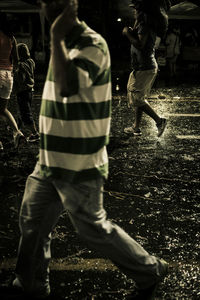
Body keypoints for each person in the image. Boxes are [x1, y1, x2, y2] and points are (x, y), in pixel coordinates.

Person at [3, 1, 168, 299]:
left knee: (93, 228)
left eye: (55, 2)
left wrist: (54, 36)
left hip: (79, 160)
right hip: (51, 158)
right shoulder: (65, 43)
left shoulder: (92, 44)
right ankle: (31, 284)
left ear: (72, 5)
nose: (47, 7)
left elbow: (68, 87)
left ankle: (150, 269)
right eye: (45, 2)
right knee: (32, 220)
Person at [122, 0, 170, 137]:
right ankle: (136, 127)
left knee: (136, 98)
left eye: (136, 9)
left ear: (143, 12)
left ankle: (159, 121)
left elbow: (140, 44)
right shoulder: (141, 25)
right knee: (137, 96)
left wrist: (127, 33)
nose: (134, 11)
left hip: (145, 67)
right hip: (141, 67)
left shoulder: (145, 25)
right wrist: (132, 31)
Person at [0, 12, 25, 150]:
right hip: (8, 75)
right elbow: (16, 59)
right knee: (2, 109)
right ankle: (17, 132)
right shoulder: (12, 38)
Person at [14, 43, 39, 142]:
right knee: (22, 111)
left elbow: (21, 79)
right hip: (30, 91)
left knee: (26, 113)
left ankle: (35, 133)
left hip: (22, 91)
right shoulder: (31, 62)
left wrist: (15, 73)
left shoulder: (21, 65)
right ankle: (17, 129)